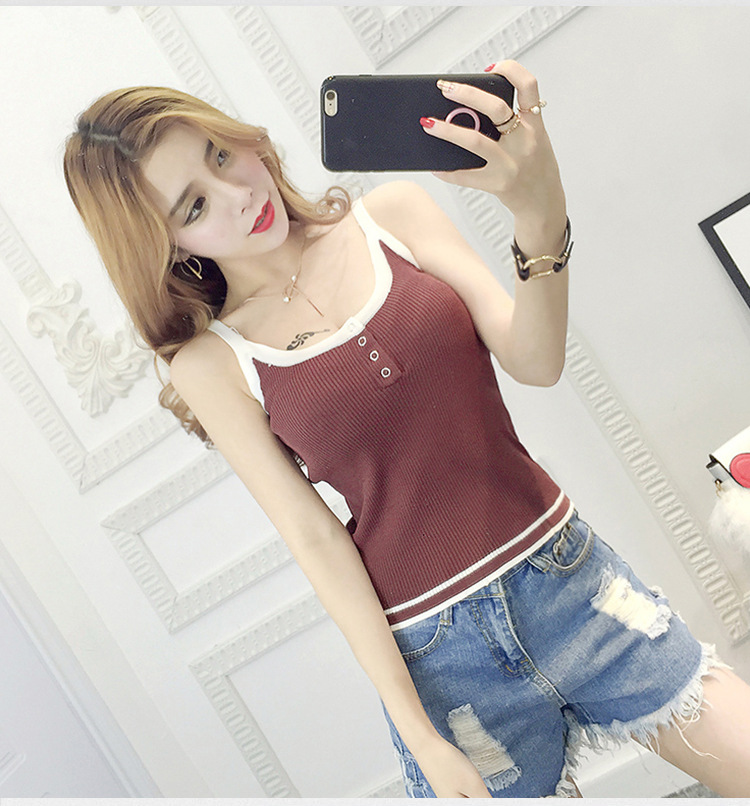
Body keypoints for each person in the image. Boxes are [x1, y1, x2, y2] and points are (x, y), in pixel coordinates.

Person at [63, 61, 750, 798]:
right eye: (195, 205)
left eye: (221, 155)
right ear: (166, 244)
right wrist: (418, 734)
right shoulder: (211, 364)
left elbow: (536, 359)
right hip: (443, 666)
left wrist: (539, 214)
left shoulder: (391, 216)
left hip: (572, 585)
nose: (239, 195)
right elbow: (316, 541)